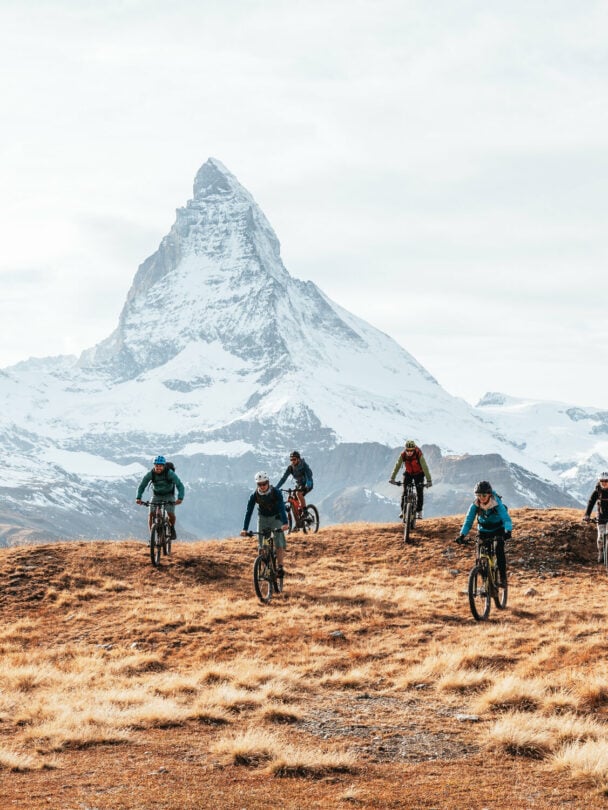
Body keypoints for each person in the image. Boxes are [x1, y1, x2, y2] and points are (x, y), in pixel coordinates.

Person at [455, 481, 512, 586]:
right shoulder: (475, 505)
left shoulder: (496, 503)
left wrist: (508, 531)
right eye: (478, 495)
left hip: (498, 529)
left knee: (499, 549)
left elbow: (506, 518)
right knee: (480, 554)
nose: (481, 497)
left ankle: (503, 578)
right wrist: (462, 535)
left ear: (489, 494)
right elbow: (468, 520)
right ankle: (484, 578)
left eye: (484, 495)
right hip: (483, 530)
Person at [240, 471, 289, 577]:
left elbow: (281, 507)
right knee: (262, 546)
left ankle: (280, 567)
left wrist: (285, 523)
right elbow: (249, 512)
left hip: (276, 518)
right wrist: (245, 528)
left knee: (278, 542)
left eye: (264, 483)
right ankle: (266, 570)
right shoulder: (254, 495)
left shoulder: (276, 492)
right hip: (263, 518)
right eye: (259, 484)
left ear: (268, 482)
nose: (262, 486)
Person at [136, 455, 185, 539]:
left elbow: (180, 485)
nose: (158, 468)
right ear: (154, 465)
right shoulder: (150, 474)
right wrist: (138, 497)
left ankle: (172, 528)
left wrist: (180, 498)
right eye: (156, 465)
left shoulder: (169, 473)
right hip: (156, 495)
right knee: (151, 514)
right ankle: (152, 537)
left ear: (163, 466)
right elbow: (142, 485)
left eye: (160, 466)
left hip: (169, 495)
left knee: (171, 514)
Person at [389, 440, 432, 519]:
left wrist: (429, 480)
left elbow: (425, 467)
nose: (409, 452)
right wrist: (392, 478)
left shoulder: (419, 454)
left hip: (419, 473)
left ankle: (419, 511)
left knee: (419, 492)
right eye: (407, 450)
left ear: (414, 449)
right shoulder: (403, 455)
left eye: (411, 450)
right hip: (408, 473)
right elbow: (397, 466)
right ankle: (403, 511)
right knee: (405, 491)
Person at [583, 471, 608, 563]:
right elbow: (591, 502)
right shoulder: (597, 490)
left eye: (606, 481)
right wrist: (587, 515)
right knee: (600, 538)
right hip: (601, 516)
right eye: (602, 481)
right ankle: (600, 552)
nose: (604, 483)